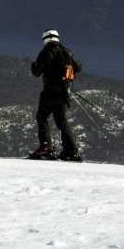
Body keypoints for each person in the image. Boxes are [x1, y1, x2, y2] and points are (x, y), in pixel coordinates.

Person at [29, 28, 83, 161]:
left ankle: (46, 148)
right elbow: (79, 67)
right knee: (61, 120)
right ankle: (70, 151)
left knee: (42, 117)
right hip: (63, 92)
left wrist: (33, 65)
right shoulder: (66, 51)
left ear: (45, 39)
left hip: (50, 92)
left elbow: (36, 72)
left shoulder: (46, 51)